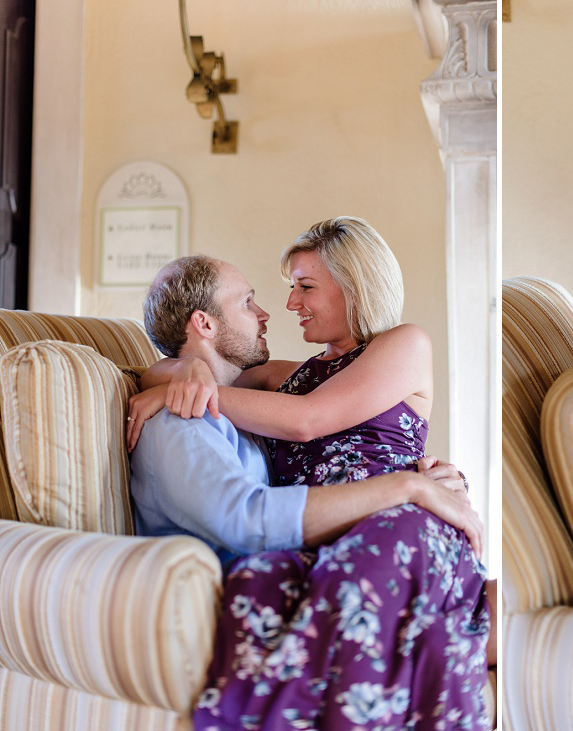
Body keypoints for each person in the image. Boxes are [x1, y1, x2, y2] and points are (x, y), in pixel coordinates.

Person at [131, 251, 491, 730]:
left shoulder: (403, 344)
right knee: (285, 580)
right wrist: (180, 374)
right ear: (205, 322)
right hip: (341, 532)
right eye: (251, 301)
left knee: (385, 561)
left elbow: (307, 421)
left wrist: (428, 485)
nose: (279, 307)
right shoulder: (281, 380)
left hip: (398, 520)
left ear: (352, 286)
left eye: (304, 287)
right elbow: (176, 370)